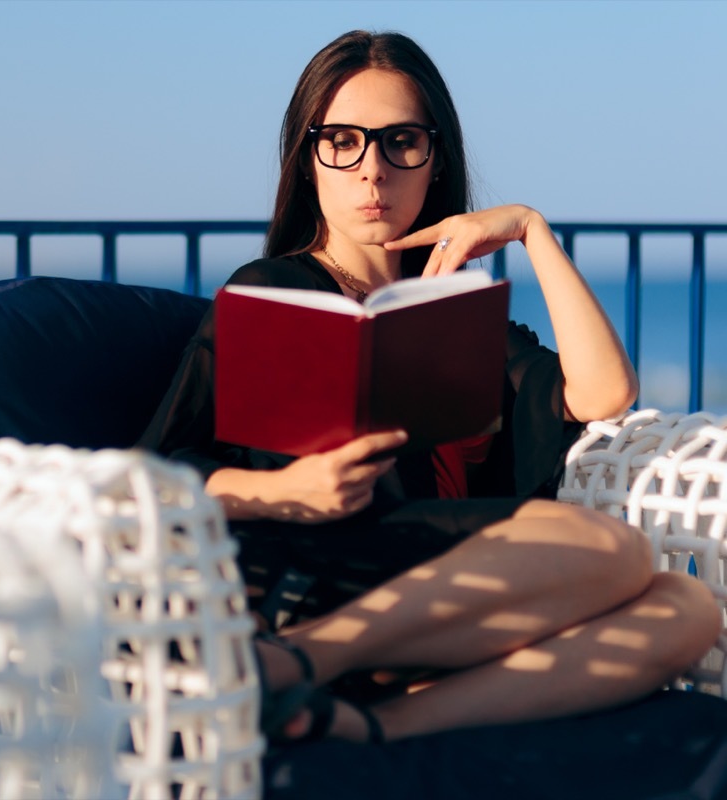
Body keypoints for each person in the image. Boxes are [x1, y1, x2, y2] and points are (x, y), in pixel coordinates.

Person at [137, 29, 721, 746]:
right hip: (327, 575)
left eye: (400, 142)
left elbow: (602, 395)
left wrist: (532, 232)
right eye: (342, 141)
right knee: (616, 550)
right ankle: (293, 658)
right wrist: (286, 491)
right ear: (308, 156)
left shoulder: (452, 311)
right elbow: (152, 474)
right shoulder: (271, 294)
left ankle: (373, 727)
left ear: (434, 158)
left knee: (688, 609)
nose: (372, 171)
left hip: (463, 599)